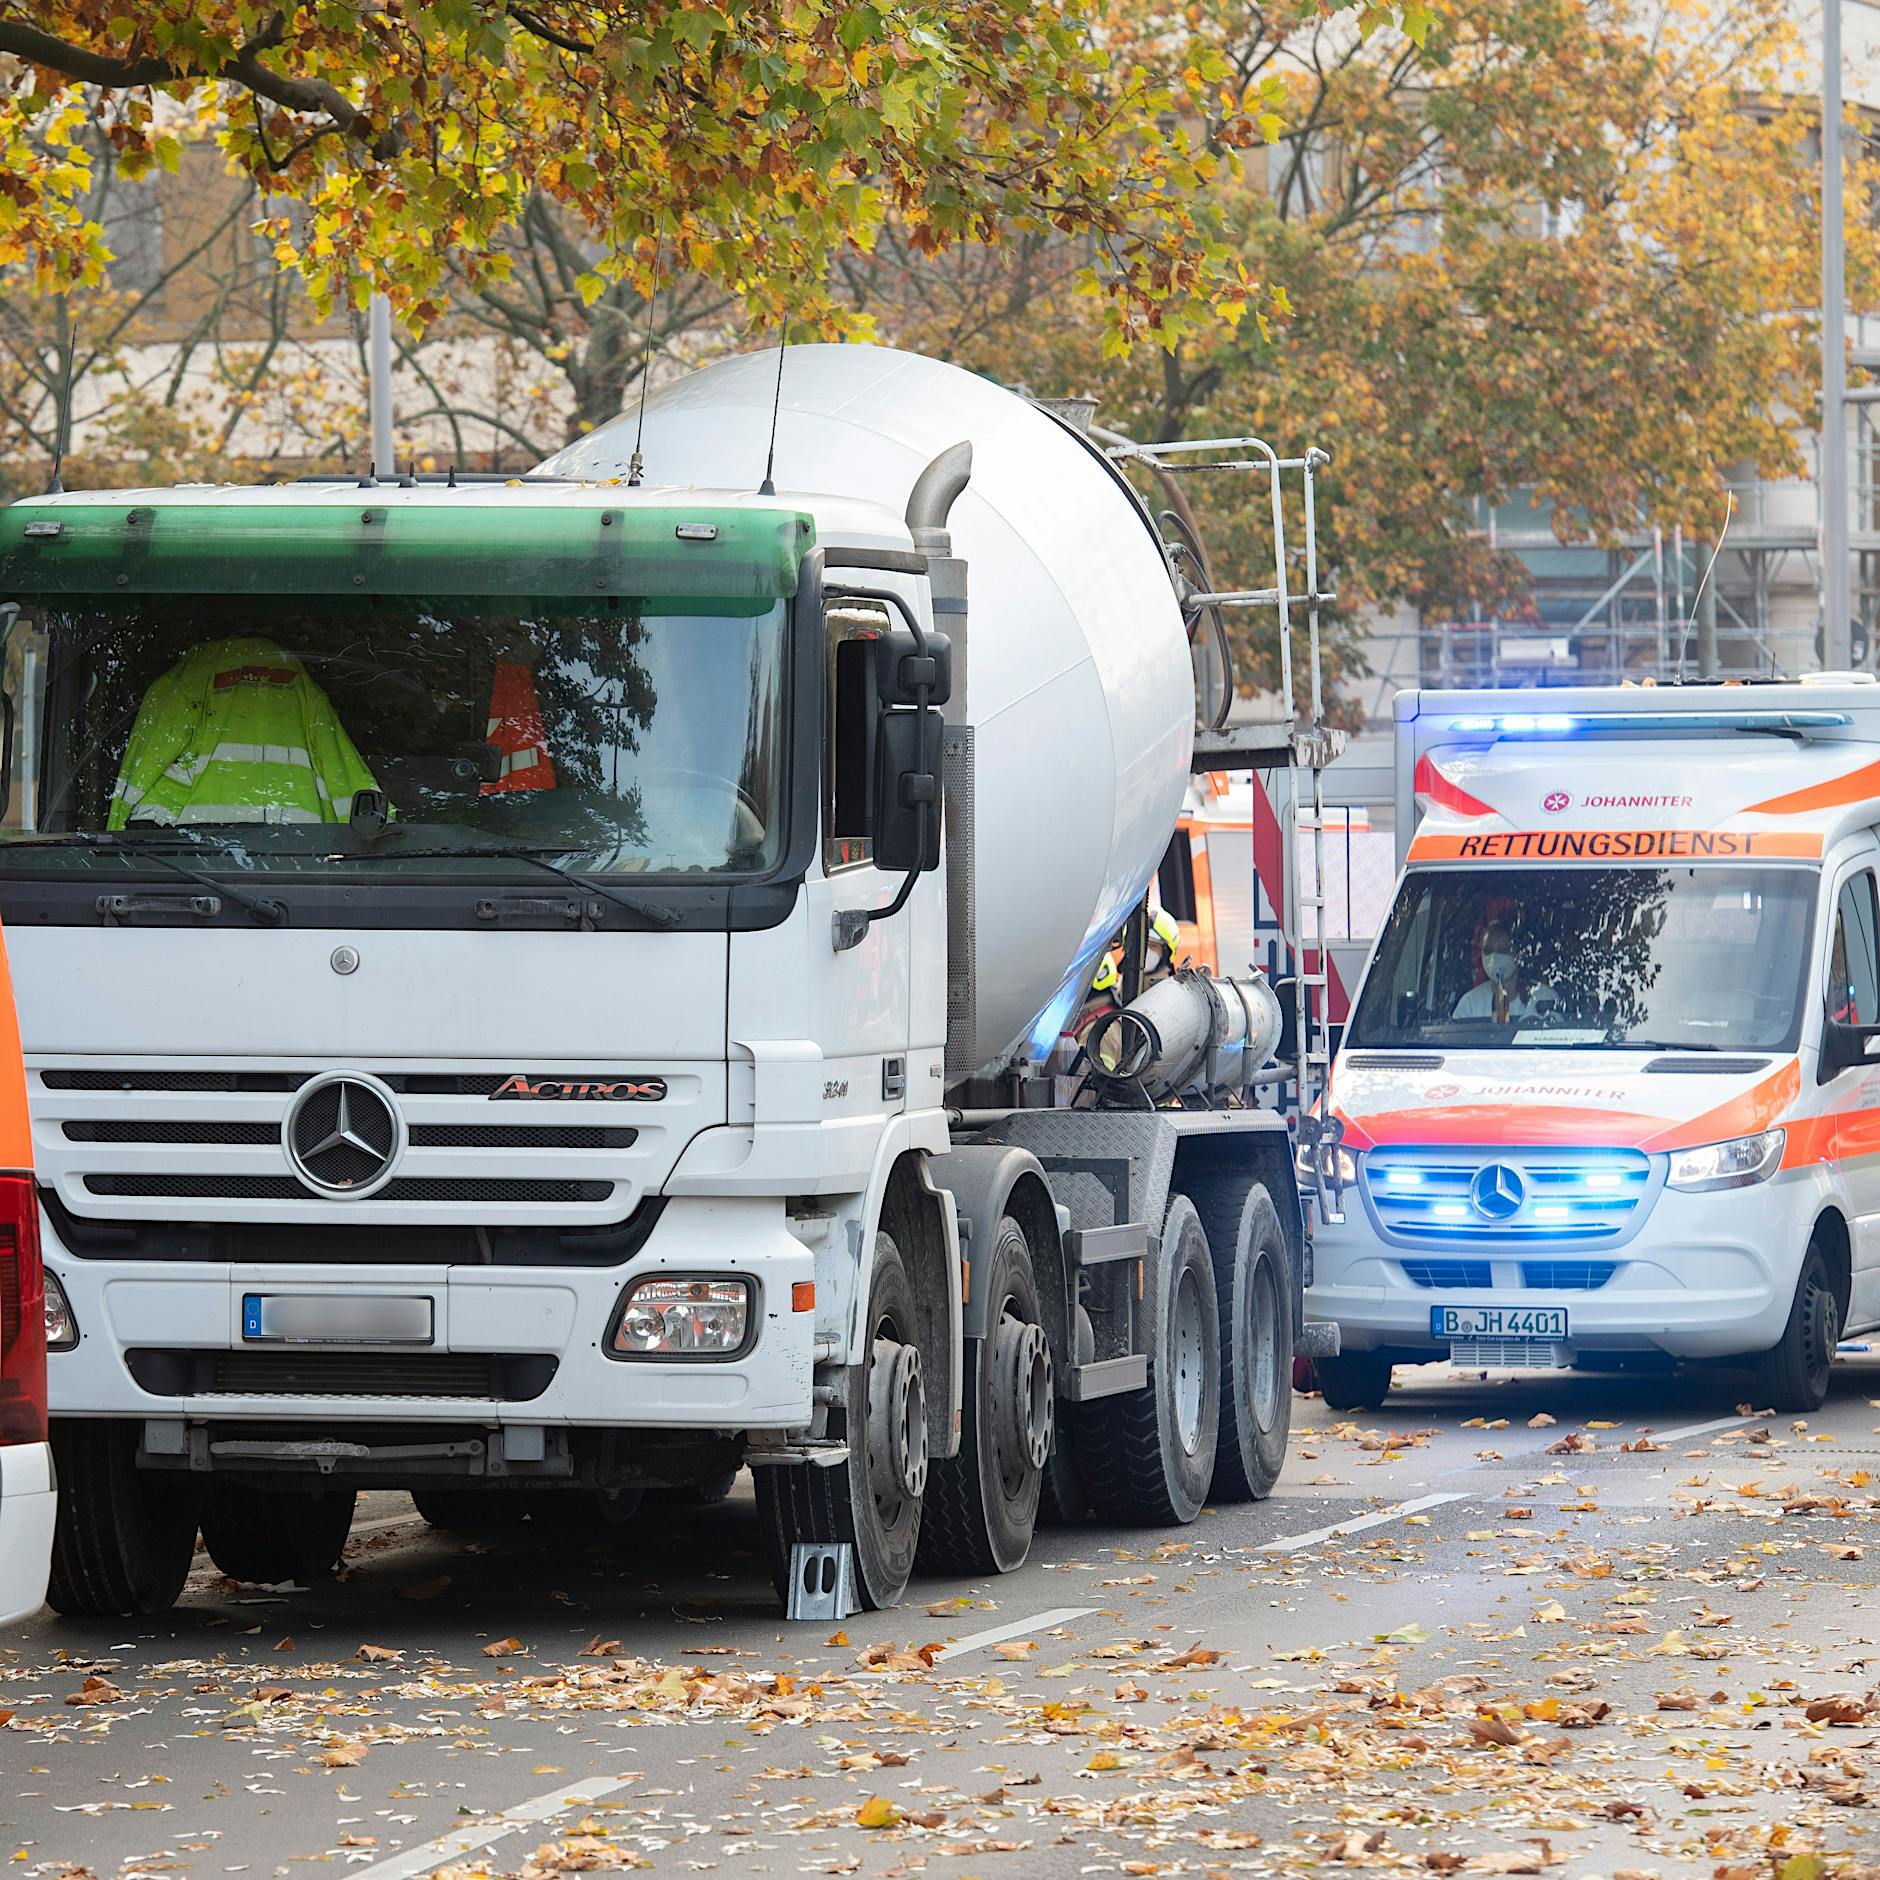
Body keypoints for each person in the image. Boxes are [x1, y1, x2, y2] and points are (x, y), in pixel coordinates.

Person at [109, 636, 383, 830]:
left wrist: (111, 837)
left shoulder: (186, 677)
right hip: (296, 865)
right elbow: (343, 770)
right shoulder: (301, 685)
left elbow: (142, 767)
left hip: (194, 869)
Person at [1452, 920, 1554, 1023]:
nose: (1494, 957)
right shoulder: (1470, 1004)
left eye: (1503, 950)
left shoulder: (1543, 997)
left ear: (1519, 954)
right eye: (1488, 951)